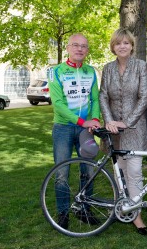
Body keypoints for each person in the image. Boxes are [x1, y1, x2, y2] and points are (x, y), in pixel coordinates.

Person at [99, 28, 147, 236]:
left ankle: (136, 214)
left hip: (135, 128)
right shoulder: (108, 68)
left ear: (131, 46)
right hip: (114, 131)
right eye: (118, 43)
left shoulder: (141, 66)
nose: (122, 46)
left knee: (135, 172)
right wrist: (110, 121)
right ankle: (121, 208)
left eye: (126, 43)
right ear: (113, 46)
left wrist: (126, 122)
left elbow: (144, 97)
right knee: (119, 172)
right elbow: (103, 95)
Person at [48, 33, 101, 230]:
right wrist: (82, 121)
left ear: (87, 50)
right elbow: (58, 104)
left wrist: (94, 119)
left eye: (84, 46)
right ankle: (63, 213)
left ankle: (84, 209)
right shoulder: (56, 71)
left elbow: (95, 99)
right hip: (63, 128)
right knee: (62, 172)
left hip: (85, 128)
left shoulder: (91, 72)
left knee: (88, 170)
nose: (80, 49)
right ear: (69, 48)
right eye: (76, 45)